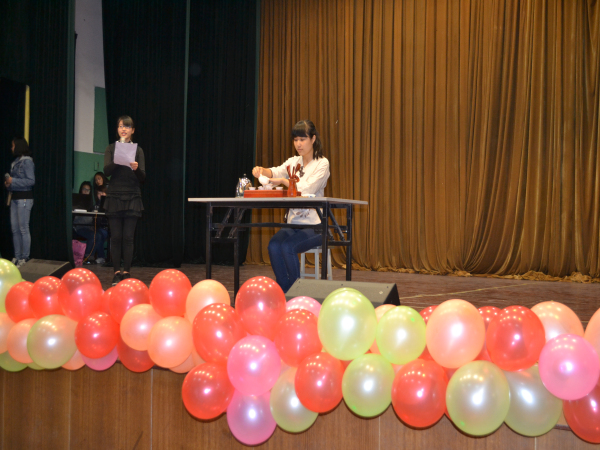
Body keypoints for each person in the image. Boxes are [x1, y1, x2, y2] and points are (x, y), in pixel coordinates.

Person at [252, 120, 330, 292]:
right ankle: (285, 291)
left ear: (313, 139)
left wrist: (283, 181)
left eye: (302, 139)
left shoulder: (322, 163)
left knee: (288, 247)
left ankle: (296, 293)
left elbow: (306, 189)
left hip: (316, 226)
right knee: (274, 246)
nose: (298, 144)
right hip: (293, 224)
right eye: (295, 140)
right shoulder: (293, 162)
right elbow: (274, 171)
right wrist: (261, 170)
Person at [103, 116, 145, 286]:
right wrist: (117, 159)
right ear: (117, 129)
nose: (123, 129)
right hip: (114, 196)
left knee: (128, 237)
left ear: (132, 130)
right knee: (116, 237)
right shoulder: (111, 148)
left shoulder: (138, 150)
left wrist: (136, 169)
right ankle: (116, 273)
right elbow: (106, 171)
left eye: (127, 126)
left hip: (132, 196)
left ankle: (126, 271)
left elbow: (143, 177)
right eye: (121, 126)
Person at [4, 138, 35, 267]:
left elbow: (31, 181)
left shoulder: (27, 162)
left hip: (24, 198)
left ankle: (24, 257)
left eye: (13, 146)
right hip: (15, 198)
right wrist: (8, 184)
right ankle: (17, 257)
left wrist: (13, 181)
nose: (11, 148)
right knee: (15, 229)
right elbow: (14, 182)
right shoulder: (15, 162)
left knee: (23, 228)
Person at [73, 181, 108, 265]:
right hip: (79, 227)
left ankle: (89, 257)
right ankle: (88, 257)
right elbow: (76, 219)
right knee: (95, 235)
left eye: (88, 190)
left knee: (97, 235)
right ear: (81, 190)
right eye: (84, 189)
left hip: (93, 227)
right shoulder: (76, 201)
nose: (86, 191)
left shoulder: (92, 204)